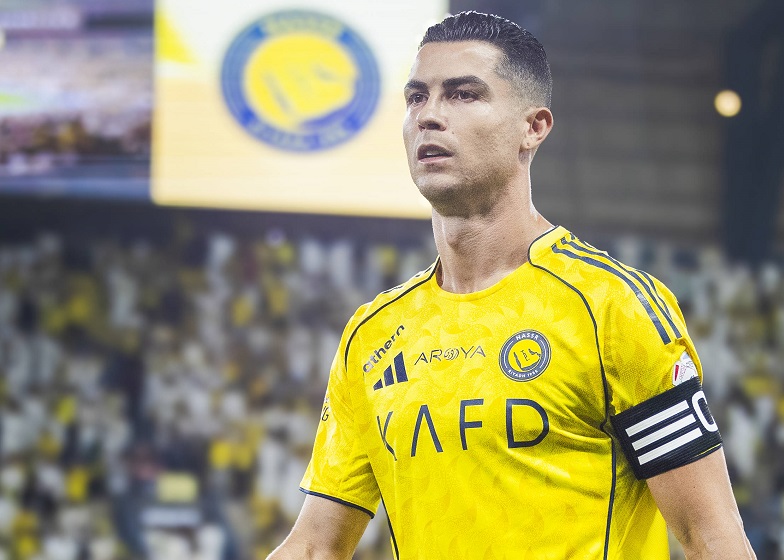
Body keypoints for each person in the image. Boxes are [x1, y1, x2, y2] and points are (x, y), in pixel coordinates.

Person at [269, 11, 756, 559]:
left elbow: (711, 537)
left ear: (533, 127)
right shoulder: (372, 335)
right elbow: (315, 546)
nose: (429, 116)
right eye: (416, 97)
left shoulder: (610, 307)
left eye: (463, 94)